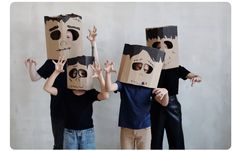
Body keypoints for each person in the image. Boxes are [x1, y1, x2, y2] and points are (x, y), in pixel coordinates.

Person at [25, 26, 99, 149]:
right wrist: (31, 66)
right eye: (61, 37)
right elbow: (34, 77)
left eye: (68, 37)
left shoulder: (78, 59)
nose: (64, 40)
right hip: (58, 111)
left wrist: (93, 43)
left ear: (73, 40)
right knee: (59, 145)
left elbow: (95, 65)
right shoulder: (52, 61)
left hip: (78, 112)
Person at [145, 26, 202, 149]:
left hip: (172, 104)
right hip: (155, 105)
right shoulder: (149, 69)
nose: (163, 50)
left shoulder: (176, 67)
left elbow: (191, 75)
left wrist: (195, 77)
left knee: (176, 140)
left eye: (166, 46)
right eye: (158, 47)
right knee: (155, 141)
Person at [43, 57, 109, 149]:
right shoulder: (65, 90)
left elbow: (105, 96)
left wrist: (100, 76)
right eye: (74, 73)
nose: (78, 76)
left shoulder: (90, 92)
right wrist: (56, 72)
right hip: (69, 133)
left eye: (82, 73)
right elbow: (47, 88)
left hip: (87, 133)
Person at [104, 60, 169, 149]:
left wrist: (165, 92)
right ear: (133, 67)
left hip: (144, 129)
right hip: (126, 129)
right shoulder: (124, 83)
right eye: (138, 67)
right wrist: (107, 73)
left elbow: (164, 103)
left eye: (146, 70)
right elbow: (109, 88)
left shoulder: (149, 86)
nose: (142, 72)